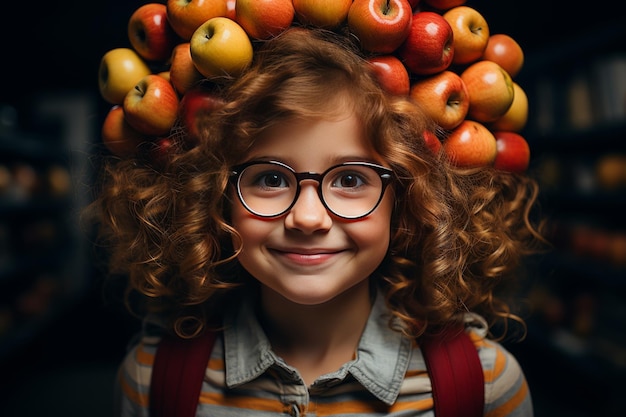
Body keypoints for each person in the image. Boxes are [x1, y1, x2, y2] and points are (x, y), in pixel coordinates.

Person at [88, 27, 546, 416]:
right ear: (215, 197)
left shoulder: (484, 387)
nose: (307, 218)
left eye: (350, 179)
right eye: (269, 178)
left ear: (405, 199)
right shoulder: (154, 382)